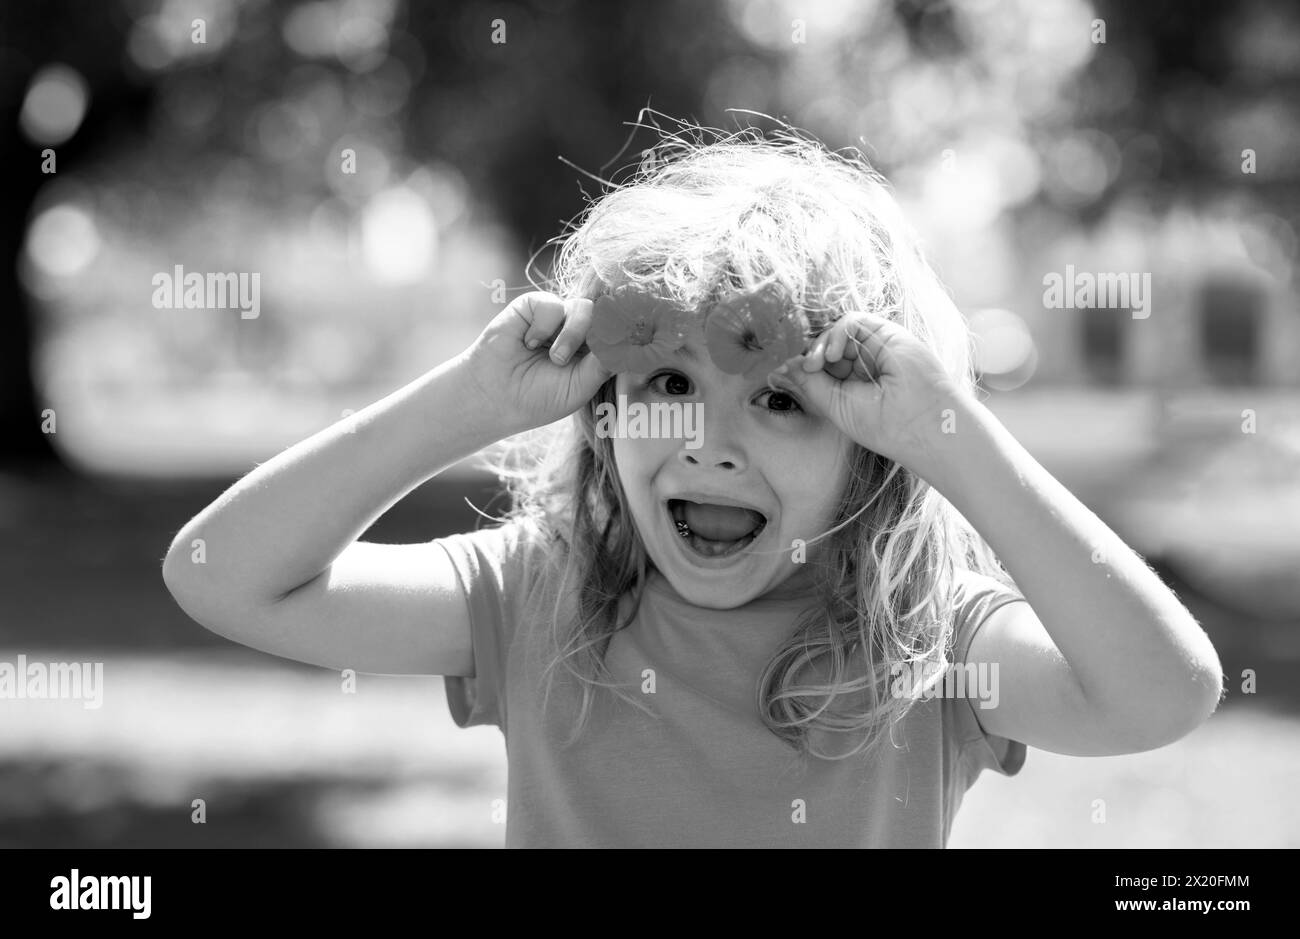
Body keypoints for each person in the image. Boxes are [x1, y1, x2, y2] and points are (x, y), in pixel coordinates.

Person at [163, 125, 1224, 848]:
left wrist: (951, 439)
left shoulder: (928, 646)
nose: (711, 446)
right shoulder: (540, 595)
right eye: (669, 385)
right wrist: (468, 404)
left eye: (778, 401)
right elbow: (224, 577)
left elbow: (1160, 692)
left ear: (871, 451)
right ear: (606, 413)